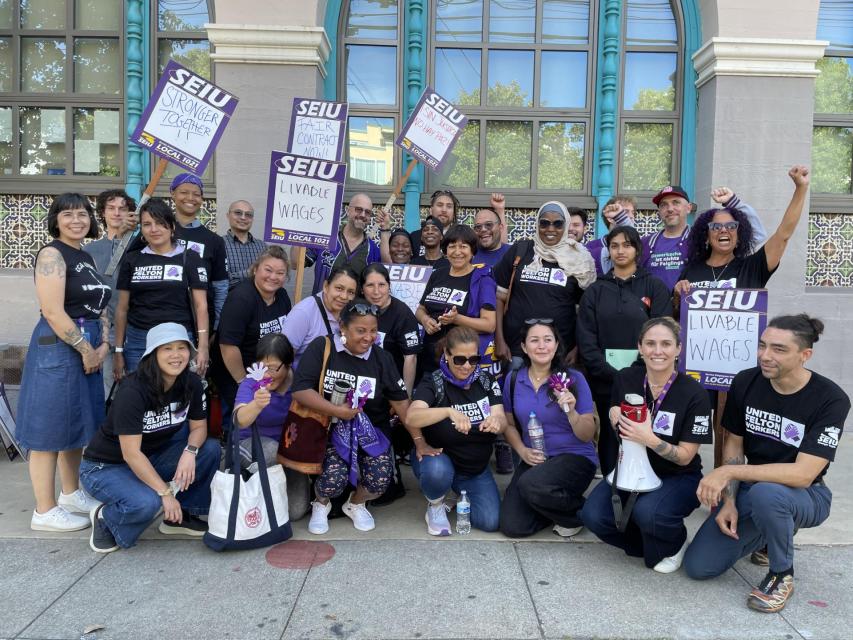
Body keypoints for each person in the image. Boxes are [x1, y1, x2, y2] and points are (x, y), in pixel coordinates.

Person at [684, 315, 850, 612]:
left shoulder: (831, 399)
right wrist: (730, 501)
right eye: (762, 345)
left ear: (805, 355)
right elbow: (734, 443)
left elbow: (802, 474)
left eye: (778, 349)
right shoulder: (746, 381)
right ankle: (768, 532)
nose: (765, 355)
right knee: (700, 566)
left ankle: (781, 573)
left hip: (806, 494)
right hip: (751, 490)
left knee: (768, 494)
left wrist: (728, 471)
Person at [580, 317, 713, 573]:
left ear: (678, 349)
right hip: (631, 469)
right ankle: (647, 543)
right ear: (640, 347)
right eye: (650, 343)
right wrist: (612, 415)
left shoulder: (695, 393)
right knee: (593, 516)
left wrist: (649, 438)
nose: (658, 351)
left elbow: (685, 457)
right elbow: (615, 411)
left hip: (677, 475)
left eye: (666, 344)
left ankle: (673, 542)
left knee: (648, 512)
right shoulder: (626, 378)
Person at [80, 323, 220, 552]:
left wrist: (190, 452)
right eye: (167, 349)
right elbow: (131, 454)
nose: (176, 355)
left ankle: (179, 517)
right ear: (153, 354)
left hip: (152, 456)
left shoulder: (191, 383)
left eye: (181, 348)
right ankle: (106, 518)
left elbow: (199, 428)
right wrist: (165, 494)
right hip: (106, 467)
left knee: (209, 450)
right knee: (147, 503)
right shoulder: (132, 391)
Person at [17, 193, 111, 532]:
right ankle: (44, 510)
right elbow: (53, 310)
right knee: (49, 427)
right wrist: (86, 349)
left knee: (76, 424)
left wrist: (102, 345)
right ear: (55, 219)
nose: (77, 220)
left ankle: (71, 493)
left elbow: (97, 306)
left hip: (87, 344)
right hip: (58, 347)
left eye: (83, 214)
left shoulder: (83, 255)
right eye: (68, 214)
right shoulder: (52, 254)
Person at [292, 301, 410, 534]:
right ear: (343, 328)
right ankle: (321, 503)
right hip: (328, 428)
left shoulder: (382, 358)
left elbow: (401, 402)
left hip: (371, 430)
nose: (369, 337)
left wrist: (420, 441)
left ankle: (355, 503)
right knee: (333, 477)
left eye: (373, 331)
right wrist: (337, 411)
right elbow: (300, 389)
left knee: (380, 480)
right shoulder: (322, 347)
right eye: (361, 330)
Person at [576, 225, 671, 475]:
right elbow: (586, 336)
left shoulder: (654, 287)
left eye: (627, 245)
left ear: (637, 249)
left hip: (645, 378)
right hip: (604, 380)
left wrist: (637, 370)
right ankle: (612, 489)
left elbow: (661, 333)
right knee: (610, 434)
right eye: (615, 246)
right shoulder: (596, 290)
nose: (620, 251)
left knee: (643, 432)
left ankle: (643, 487)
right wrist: (605, 370)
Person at [499, 320, 598, 538]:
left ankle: (580, 513)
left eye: (548, 340)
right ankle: (552, 507)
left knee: (530, 484)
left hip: (574, 457)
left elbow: (587, 434)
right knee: (513, 526)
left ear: (556, 345)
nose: (542, 346)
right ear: (524, 347)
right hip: (536, 458)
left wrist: (571, 412)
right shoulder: (514, 379)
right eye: (534, 340)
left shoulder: (574, 379)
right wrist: (522, 451)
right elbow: (508, 424)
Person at [406, 326, 508, 534]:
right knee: (437, 472)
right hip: (440, 459)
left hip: (474, 469)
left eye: (473, 359)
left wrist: (496, 422)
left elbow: (501, 418)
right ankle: (435, 504)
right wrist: (447, 412)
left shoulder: (486, 380)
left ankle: (454, 494)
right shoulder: (434, 381)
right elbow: (411, 416)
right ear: (446, 354)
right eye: (459, 359)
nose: (467, 366)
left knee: (490, 522)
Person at [674, 167, 810, 299]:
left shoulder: (752, 268)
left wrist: (801, 189)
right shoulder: (690, 271)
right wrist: (676, 296)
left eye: (731, 226)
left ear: (739, 236)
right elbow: (675, 316)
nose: (723, 230)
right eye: (715, 227)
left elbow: (783, 235)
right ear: (706, 237)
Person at [494, 201, 596, 369]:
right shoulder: (521, 250)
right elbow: (499, 298)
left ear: (566, 226)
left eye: (558, 224)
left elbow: (586, 312)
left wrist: (577, 348)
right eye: (544, 223)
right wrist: (499, 339)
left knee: (558, 394)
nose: (550, 229)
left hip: (560, 351)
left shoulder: (579, 259)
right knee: (516, 393)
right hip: (517, 350)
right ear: (537, 224)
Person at [113, 198, 209, 376]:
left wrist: (202, 347)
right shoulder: (132, 259)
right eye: (147, 224)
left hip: (178, 340)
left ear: (172, 227)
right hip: (139, 340)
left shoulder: (190, 257)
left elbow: (201, 305)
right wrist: (119, 351)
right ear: (141, 229)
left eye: (160, 223)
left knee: (177, 398)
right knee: (140, 397)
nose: (154, 229)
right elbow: (122, 308)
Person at [361, 263, 423, 504]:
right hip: (363, 388)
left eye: (382, 285)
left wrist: (403, 396)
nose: (376, 291)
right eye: (370, 285)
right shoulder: (359, 309)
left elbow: (410, 357)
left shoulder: (402, 313)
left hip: (391, 388)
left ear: (389, 286)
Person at [231, 332, 310, 521]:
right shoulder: (252, 383)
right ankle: (251, 491)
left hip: (289, 449)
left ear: (289, 364)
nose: (267, 374)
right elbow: (239, 419)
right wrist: (256, 404)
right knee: (272, 452)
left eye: (274, 368)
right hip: (251, 443)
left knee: (296, 512)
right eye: (262, 367)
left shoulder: (301, 377)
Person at [215, 246, 292, 435]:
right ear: (255, 269)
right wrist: (243, 381)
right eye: (268, 270)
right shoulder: (241, 299)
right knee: (238, 422)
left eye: (280, 273)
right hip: (236, 371)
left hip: (266, 372)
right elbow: (227, 346)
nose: (273, 277)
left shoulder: (282, 297)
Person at [641, 184, 767, 291]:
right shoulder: (646, 243)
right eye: (663, 205)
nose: (670, 209)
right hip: (656, 317)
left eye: (676, 202)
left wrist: (734, 203)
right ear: (659, 212)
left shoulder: (704, 238)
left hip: (694, 314)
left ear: (689, 208)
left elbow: (757, 235)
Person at [416, 224, 497, 375]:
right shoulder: (437, 275)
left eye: (463, 246)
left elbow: (489, 324)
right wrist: (425, 320)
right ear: (445, 250)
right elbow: (421, 309)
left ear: (472, 251)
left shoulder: (483, 279)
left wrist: (456, 319)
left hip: (461, 363)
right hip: (429, 357)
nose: (457, 252)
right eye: (452, 246)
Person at [84, 189, 138, 392]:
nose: (116, 213)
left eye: (122, 209)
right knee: (105, 391)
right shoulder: (89, 251)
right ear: (102, 213)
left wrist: (126, 236)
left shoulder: (140, 246)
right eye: (111, 208)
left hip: (134, 330)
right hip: (102, 333)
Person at [168, 173, 229, 333]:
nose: (190, 198)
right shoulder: (158, 232)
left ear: (202, 199)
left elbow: (220, 287)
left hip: (198, 324)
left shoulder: (214, 240)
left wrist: (216, 326)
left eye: (196, 194)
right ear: (172, 193)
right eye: (184, 192)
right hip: (160, 320)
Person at [304, 193, 381, 295]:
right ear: (348, 210)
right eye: (358, 209)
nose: (363, 215)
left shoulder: (373, 249)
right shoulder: (326, 238)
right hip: (321, 308)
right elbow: (296, 263)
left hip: (355, 310)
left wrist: (385, 231)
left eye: (367, 212)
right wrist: (300, 230)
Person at [282, 266, 358, 367]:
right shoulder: (303, 313)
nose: (344, 296)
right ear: (326, 286)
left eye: (350, 292)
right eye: (339, 288)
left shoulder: (350, 311)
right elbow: (282, 360)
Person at [584, 196, 637, 276]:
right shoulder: (591, 247)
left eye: (633, 213)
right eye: (625, 212)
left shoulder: (637, 245)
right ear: (610, 218)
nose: (631, 216)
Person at [222, 199, 267, 290]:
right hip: (229, 302)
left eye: (248, 214)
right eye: (238, 213)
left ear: (252, 219)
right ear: (228, 215)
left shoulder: (263, 247)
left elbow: (267, 278)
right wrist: (251, 273)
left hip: (258, 302)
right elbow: (219, 282)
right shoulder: (218, 244)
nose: (243, 217)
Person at [406, 189, 459, 257]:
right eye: (440, 205)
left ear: (454, 212)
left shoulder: (461, 238)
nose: (444, 210)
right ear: (431, 210)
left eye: (449, 206)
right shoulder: (415, 237)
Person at [472, 194, 510, 268]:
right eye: (478, 227)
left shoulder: (513, 254)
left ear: (500, 228)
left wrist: (500, 210)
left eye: (489, 225)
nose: (483, 229)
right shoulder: (469, 253)